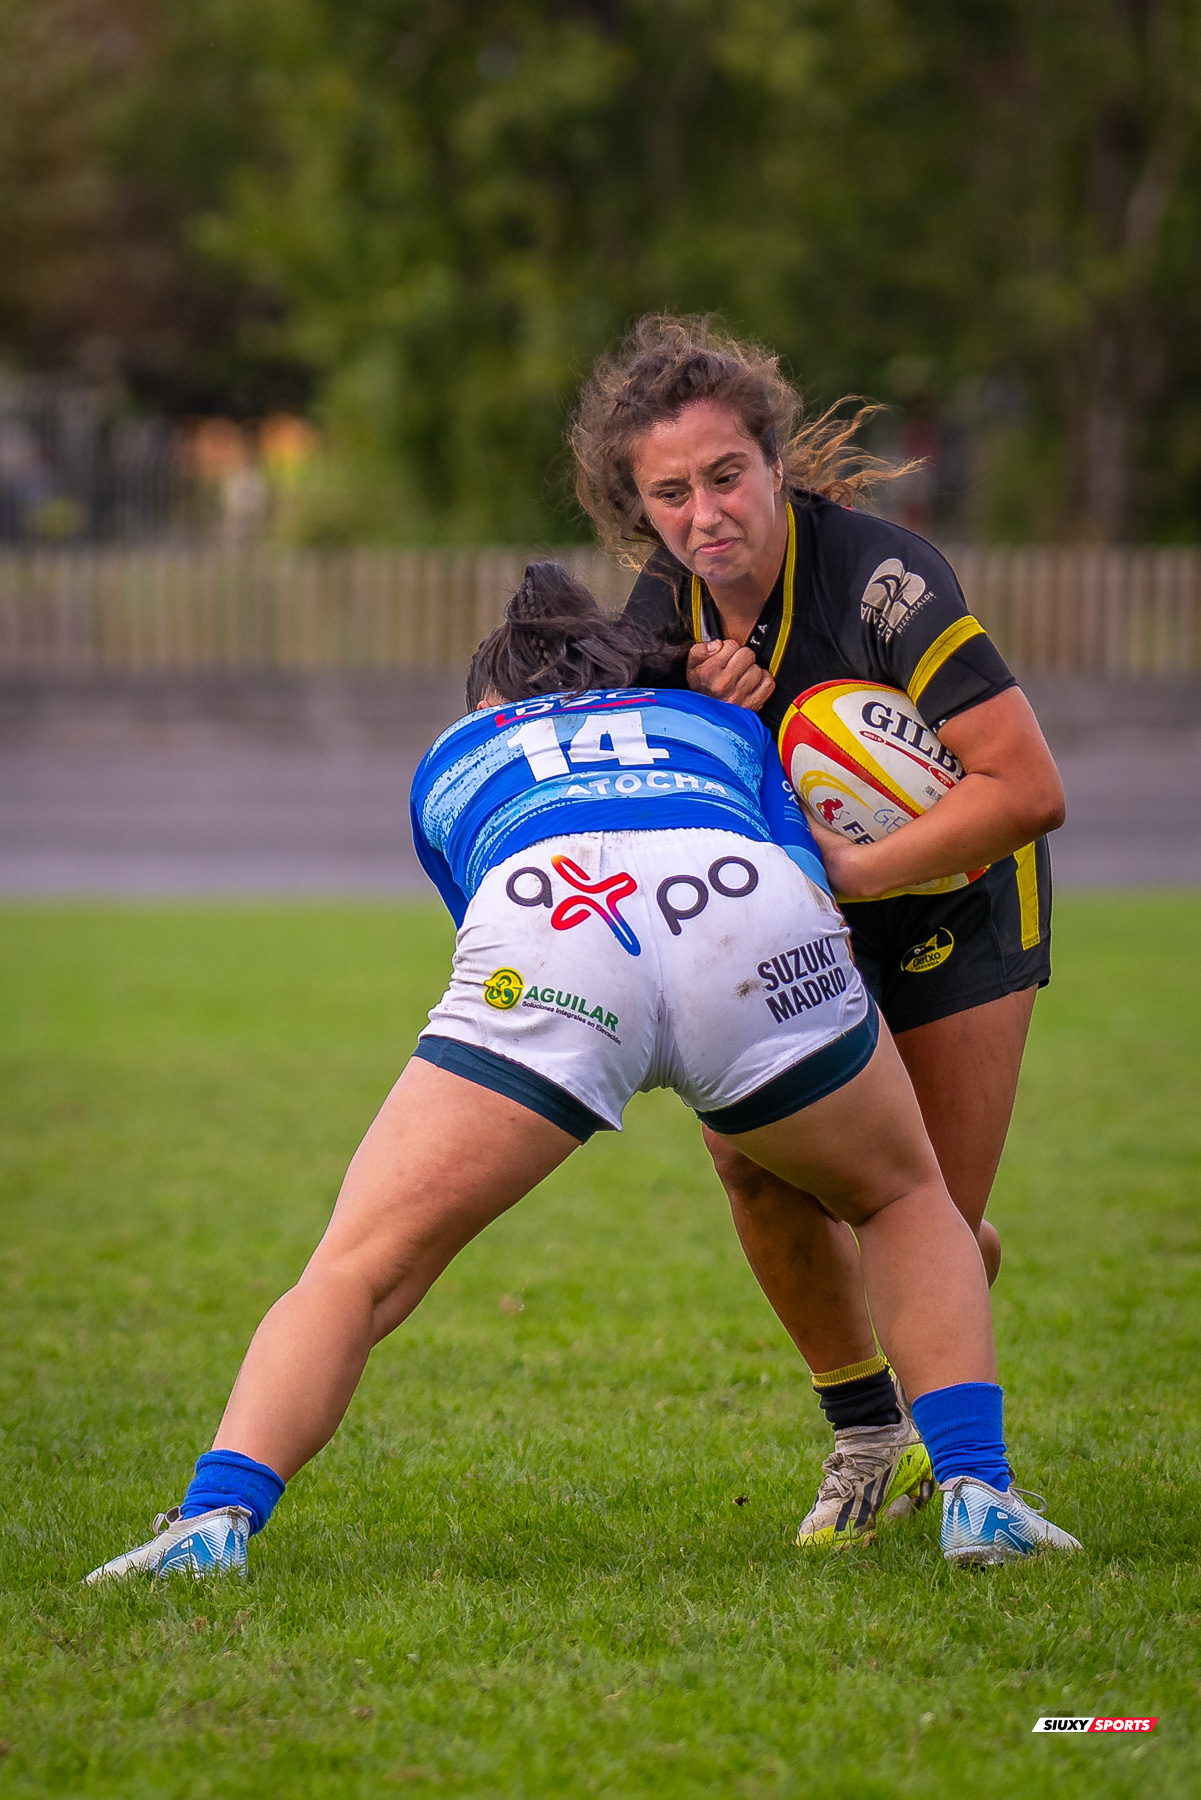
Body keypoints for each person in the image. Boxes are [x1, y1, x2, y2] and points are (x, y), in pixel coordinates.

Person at [84, 565, 1078, 1585]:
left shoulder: (453, 754)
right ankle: (976, 1495)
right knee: (904, 1199)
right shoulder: (719, 725)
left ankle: (213, 1521)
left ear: (491, 702)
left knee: (359, 1269)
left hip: (552, 932)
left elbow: (480, 910)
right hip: (741, 904)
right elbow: (811, 882)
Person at [570, 315, 1068, 1548]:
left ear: (773, 463)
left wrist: (849, 871)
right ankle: (864, 1434)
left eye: (726, 476)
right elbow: (657, 796)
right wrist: (693, 707)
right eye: (670, 494)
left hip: (961, 899)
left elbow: (1025, 787)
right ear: (642, 510)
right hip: (815, 923)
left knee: (917, 1218)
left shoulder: (884, 578)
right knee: (750, 1163)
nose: (705, 513)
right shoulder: (661, 615)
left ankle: (969, 1465)